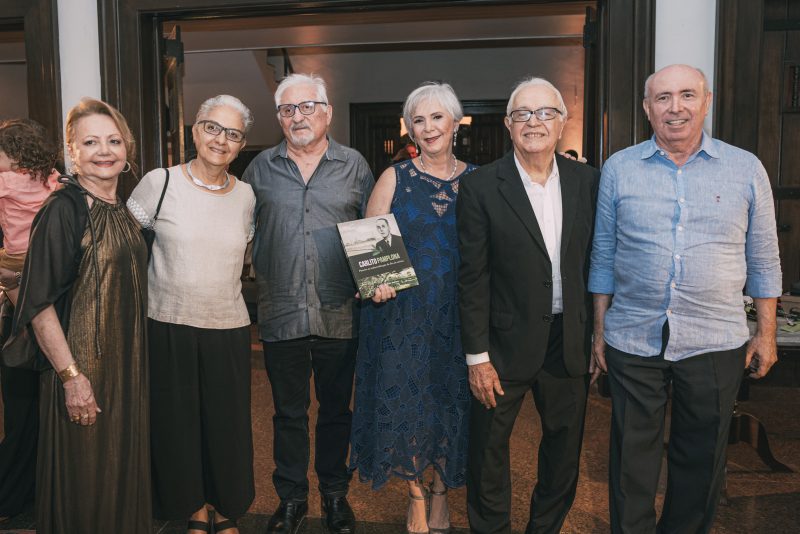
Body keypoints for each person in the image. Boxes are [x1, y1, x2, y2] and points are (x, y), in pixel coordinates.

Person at [588, 64, 782, 534]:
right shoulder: (619, 168)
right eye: (663, 98)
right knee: (631, 462)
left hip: (715, 338)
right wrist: (599, 331)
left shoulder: (745, 168)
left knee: (701, 460)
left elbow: (764, 257)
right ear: (646, 108)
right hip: (632, 337)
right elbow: (603, 255)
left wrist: (766, 333)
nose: (675, 108)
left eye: (687, 95)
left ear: (707, 101)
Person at [457, 77, 599, 534]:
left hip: (568, 341)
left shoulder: (588, 182)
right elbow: (473, 276)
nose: (533, 123)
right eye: (522, 114)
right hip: (502, 344)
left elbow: (600, 261)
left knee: (563, 453)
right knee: (488, 453)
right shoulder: (480, 187)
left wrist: (599, 333)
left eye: (544, 114)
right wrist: (477, 356)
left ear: (562, 124)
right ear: (508, 125)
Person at [9, 97, 151, 533]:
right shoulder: (63, 210)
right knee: (87, 480)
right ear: (72, 151)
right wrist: (73, 379)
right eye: (90, 142)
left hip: (125, 373)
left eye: (113, 140)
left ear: (126, 147)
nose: (104, 150)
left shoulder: (121, 209)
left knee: (119, 475)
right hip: (82, 373)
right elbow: (38, 304)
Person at [242, 73, 373, 534]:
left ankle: (336, 497)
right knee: (287, 414)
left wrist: (377, 279)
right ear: (279, 117)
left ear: (327, 112)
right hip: (280, 312)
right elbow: (239, 233)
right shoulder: (259, 169)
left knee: (338, 413)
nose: (298, 116)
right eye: (288, 109)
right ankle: (292, 499)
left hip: (340, 312)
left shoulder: (354, 165)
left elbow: (375, 228)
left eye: (307, 107)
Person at [350, 81, 478, 534]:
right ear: (409, 127)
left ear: (455, 122)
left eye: (436, 117)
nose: (428, 128)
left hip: (461, 320)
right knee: (409, 408)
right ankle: (417, 497)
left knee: (451, 405)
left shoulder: (479, 180)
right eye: (418, 120)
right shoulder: (394, 177)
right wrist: (376, 282)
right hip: (402, 317)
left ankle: (441, 491)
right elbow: (370, 253)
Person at [127, 94, 256, 534]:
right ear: (195, 130)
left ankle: (227, 507)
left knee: (227, 427)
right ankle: (194, 508)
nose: (221, 140)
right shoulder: (159, 182)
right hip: (168, 322)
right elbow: (124, 251)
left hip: (229, 326)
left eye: (233, 134)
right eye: (213, 128)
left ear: (242, 145)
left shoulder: (247, 196)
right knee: (178, 424)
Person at [0, 118, 59, 521]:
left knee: (19, 408)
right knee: (41, 409)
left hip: (16, 288)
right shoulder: (55, 183)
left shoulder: (3, 185)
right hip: (50, 292)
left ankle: (10, 497)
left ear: (14, 155)